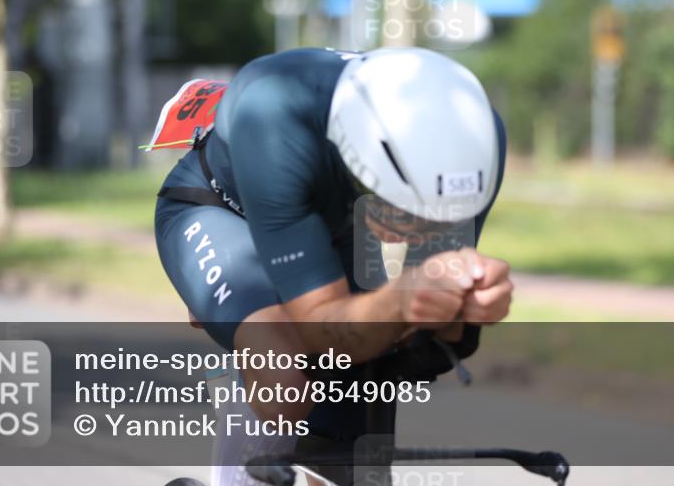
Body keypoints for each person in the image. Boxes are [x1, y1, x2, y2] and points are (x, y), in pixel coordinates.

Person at [153, 47, 513, 483]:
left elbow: (428, 350)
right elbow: (324, 330)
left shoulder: (472, 135)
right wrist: (400, 302)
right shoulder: (275, 110)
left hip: (330, 222)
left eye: (433, 220)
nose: (411, 233)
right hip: (223, 209)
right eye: (402, 212)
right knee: (286, 372)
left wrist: (463, 309)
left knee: (361, 399)